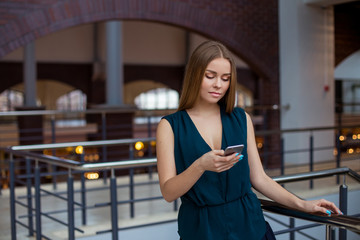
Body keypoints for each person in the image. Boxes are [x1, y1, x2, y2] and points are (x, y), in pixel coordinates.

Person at [156, 40, 341, 240]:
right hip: (201, 231)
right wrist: (200, 165)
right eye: (210, 76)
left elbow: (259, 178)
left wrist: (303, 204)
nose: (219, 84)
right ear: (194, 75)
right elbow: (168, 192)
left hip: (251, 227)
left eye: (225, 78)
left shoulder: (241, 118)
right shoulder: (169, 126)